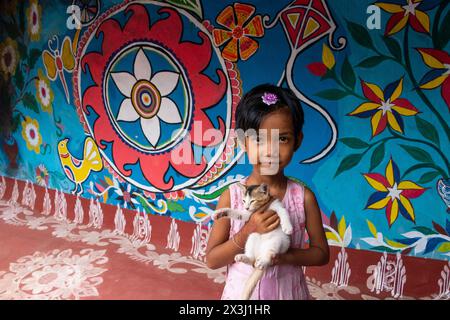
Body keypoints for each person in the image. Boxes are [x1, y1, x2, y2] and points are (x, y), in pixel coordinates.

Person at [205, 84, 329, 300]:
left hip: (289, 294)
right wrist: (247, 231)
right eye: (259, 139)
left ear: (297, 141)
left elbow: (321, 254)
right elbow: (212, 260)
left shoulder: (303, 198)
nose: (270, 150)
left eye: (282, 139)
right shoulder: (233, 196)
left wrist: (284, 257)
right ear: (243, 142)